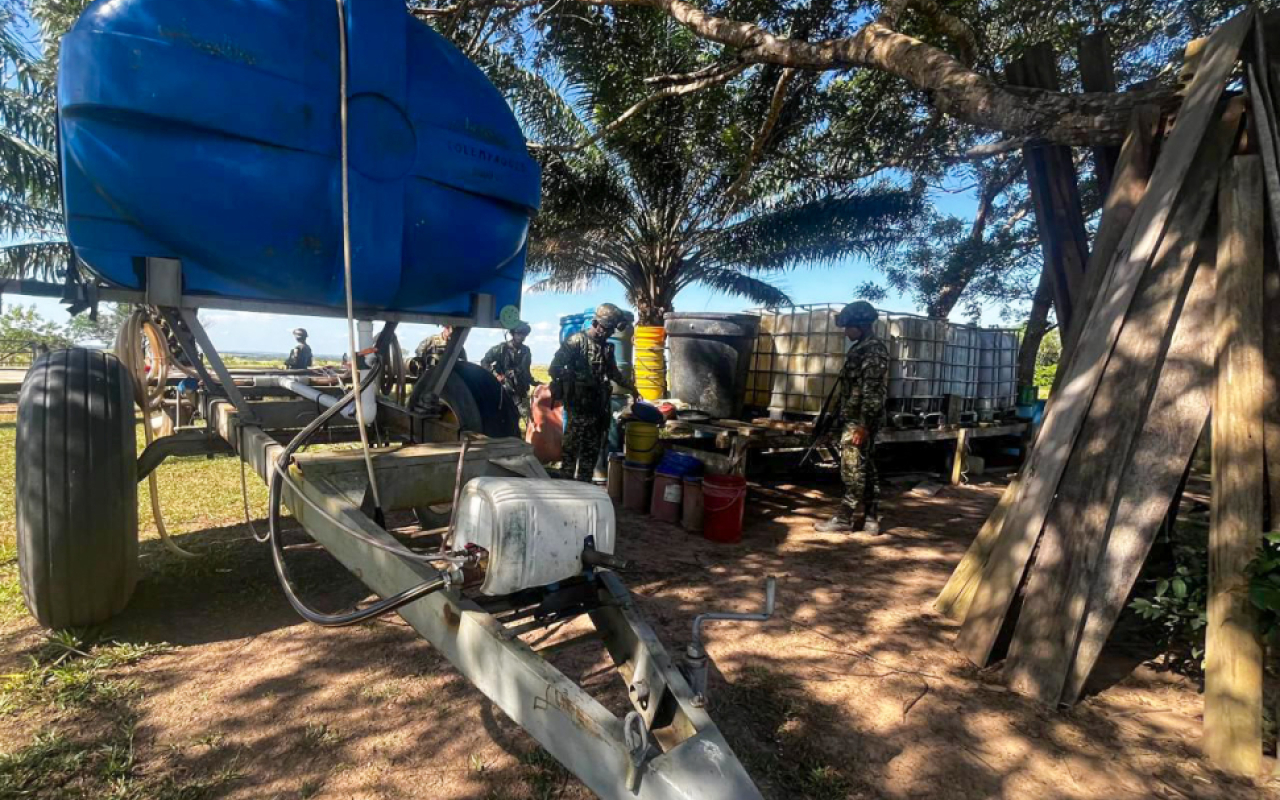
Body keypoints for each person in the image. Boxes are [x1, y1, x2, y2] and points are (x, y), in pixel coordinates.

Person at [815, 301, 889, 534]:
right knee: (865, 467)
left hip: (860, 420)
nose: (846, 332)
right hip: (855, 418)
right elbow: (851, 389)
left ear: (861, 325)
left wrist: (863, 425)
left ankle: (844, 518)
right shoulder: (862, 348)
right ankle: (871, 519)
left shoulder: (873, 351)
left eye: (849, 327)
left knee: (852, 469)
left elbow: (872, 391)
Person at [548, 303, 640, 481]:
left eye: (611, 330)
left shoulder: (607, 348)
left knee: (590, 456)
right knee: (570, 456)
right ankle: (565, 488)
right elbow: (555, 369)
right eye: (606, 329)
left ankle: (584, 487)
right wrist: (579, 380)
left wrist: (632, 389)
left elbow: (614, 374)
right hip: (577, 410)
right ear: (595, 323)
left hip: (597, 411)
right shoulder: (576, 342)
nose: (608, 333)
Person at [481, 321, 535, 420]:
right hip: (504, 389)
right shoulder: (501, 349)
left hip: (521, 390)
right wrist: (496, 375)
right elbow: (484, 362)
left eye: (524, 334)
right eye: (519, 334)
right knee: (503, 417)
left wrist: (534, 382)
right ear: (513, 333)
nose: (522, 337)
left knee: (527, 416)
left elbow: (526, 371)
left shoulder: (526, 351)